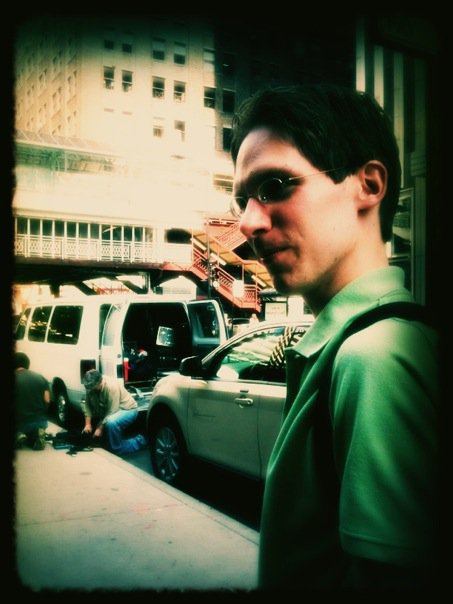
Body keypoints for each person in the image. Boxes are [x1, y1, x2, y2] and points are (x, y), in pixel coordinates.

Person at [230, 84, 439, 590]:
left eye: (275, 185)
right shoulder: (369, 342)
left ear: (368, 185)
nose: (248, 222)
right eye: (242, 200)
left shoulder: (373, 357)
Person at [81, 369, 146, 455]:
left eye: (92, 388)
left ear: (99, 383)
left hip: (127, 409)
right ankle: (113, 442)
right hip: (112, 411)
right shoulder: (90, 385)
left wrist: (100, 428)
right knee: (106, 429)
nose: (89, 390)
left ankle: (140, 441)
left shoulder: (111, 386)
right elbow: (87, 405)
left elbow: (112, 411)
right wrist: (88, 424)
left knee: (111, 423)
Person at [14, 351, 50, 450]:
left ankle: (18, 434)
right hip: (41, 422)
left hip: (20, 423)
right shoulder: (40, 377)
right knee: (33, 433)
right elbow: (47, 400)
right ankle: (36, 435)